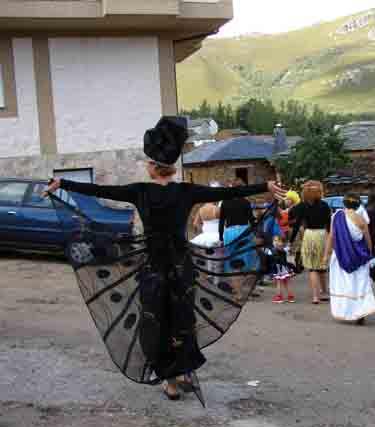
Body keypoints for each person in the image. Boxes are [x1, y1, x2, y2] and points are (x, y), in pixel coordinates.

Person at [44, 116, 286, 402]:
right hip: (182, 266)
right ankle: (180, 372)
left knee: (158, 321)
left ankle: (171, 380)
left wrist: (63, 183)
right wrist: (264, 186)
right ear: (170, 167)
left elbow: (101, 191)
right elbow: (229, 192)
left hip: (154, 266)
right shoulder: (186, 191)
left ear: (152, 166)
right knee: (182, 318)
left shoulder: (140, 191)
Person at [323, 193, 375, 325]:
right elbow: (368, 239)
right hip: (359, 256)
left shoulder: (336, 216)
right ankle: (361, 311)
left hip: (340, 255)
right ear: (358, 205)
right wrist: (369, 254)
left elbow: (332, 236)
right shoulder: (361, 220)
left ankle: (346, 311)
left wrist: (326, 254)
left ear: (344, 203)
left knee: (344, 284)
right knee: (360, 284)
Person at [290, 181, 331, 304]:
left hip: (309, 235)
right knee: (322, 266)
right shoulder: (325, 205)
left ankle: (315, 297)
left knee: (312, 268)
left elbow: (296, 222)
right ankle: (324, 292)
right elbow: (329, 224)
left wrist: (291, 240)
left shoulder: (302, 206)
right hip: (322, 235)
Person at [268, 235, 296, 304]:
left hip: (278, 269)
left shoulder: (271, 251)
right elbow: (289, 248)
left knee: (279, 283)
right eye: (274, 240)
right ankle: (290, 296)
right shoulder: (284, 250)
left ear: (282, 242)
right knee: (286, 283)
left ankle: (279, 297)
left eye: (278, 241)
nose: (276, 242)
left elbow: (270, 260)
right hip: (285, 269)